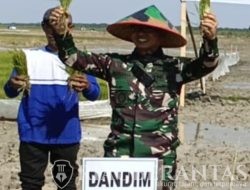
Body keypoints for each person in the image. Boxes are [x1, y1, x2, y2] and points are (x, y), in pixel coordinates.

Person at [48, 5, 219, 190]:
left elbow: (207, 63)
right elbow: (72, 57)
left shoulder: (175, 68)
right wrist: (61, 34)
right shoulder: (114, 65)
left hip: (159, 157)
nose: (141, 33)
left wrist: (210, 39)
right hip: (118, 154)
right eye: (137, 30)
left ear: (161, 36)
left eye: (148, 30)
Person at [4, 8, 100, 190]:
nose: (56, 31)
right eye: (51, 25)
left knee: (65, 184)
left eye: (63, 26)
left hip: (66, 135)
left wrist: (86, 85)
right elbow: (9, 91)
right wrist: (13, 84)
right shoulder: (28, 57)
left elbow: (95, 94)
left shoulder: (80, 60)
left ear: (71, 28)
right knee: (31, 184)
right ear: (43, 27)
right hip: (32, 135)